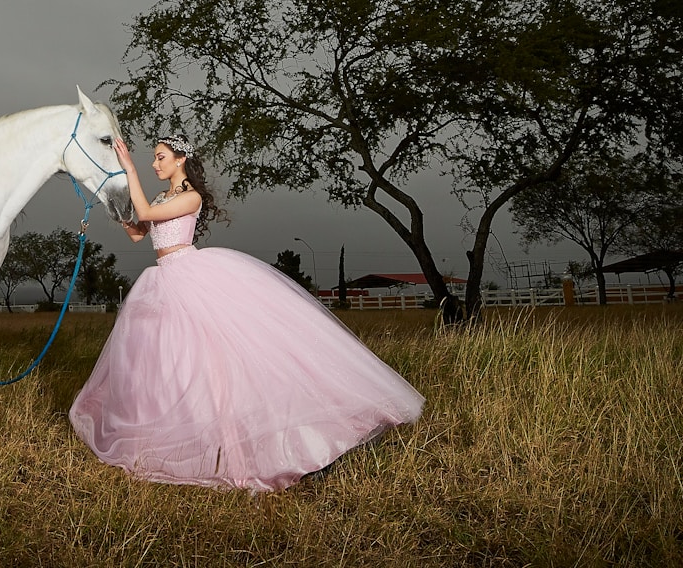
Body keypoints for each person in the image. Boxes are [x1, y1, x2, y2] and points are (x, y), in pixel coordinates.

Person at [68, 134, 424, 493]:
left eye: (160, 157)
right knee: (173, 360)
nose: (154, 164)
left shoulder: (191, 197)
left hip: (190, 277)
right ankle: (188, 428)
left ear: (179, 160)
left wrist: (127, 167)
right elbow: (138, 230)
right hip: (162, 281)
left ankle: (273, 437)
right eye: (153, 159)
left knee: (221, 357)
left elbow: (146, 213)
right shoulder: (162, 197)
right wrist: (113, 206)